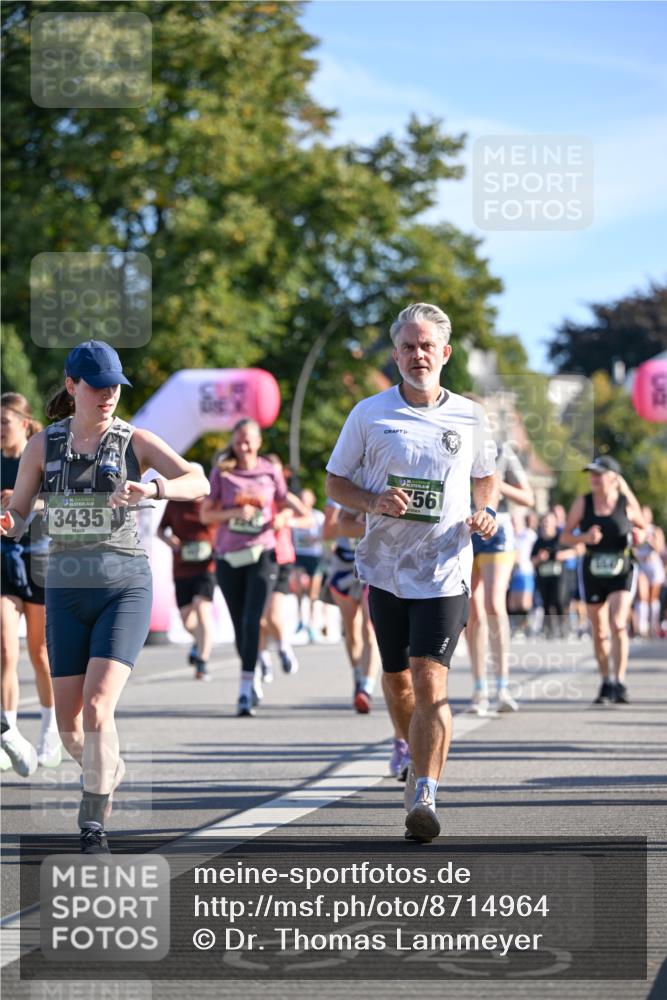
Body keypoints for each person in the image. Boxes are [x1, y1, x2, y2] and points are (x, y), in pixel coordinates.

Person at [0, 342, 209, 853]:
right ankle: (107, 769)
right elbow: (21, 514)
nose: (109, 394)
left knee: (97, 709)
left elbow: (197, 479)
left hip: (123, 584)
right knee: (73, 732)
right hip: (66, 588)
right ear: (72, 387)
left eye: (116, 385)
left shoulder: (133, 439)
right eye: (98, 386)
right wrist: (9, 521)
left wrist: (155, 491)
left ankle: (92, 823)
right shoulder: (41, 446)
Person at [326, 302, 498, 843]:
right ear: (395, 354)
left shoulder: (470, 416)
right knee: (398, 680)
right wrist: (374, 501)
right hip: (385, 569)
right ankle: (406, 744)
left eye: (427, 346)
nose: (417, 354)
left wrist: (486, 511)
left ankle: (424, 791)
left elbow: (485, 476)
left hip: (445, 567)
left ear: (444, 353)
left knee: (430, 679)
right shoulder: (368, 414)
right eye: (407, 346)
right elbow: (335, 483)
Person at [200, 420, 295, 717]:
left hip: (263, 551)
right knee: (240, 621)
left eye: (249, 440)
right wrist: (234, 512)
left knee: (254, 618)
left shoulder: (270, 470)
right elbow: (206, 514)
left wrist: (282, 518)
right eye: (239, 440)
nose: (244, 445)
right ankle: (251, 675)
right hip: (229, 556)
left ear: (258, 441)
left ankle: (243, 688)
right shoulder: (223, 472)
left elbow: (286, 504)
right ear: (232, 442)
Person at [1, 393, 61, 775]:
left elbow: (58, 501)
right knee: (6, 649)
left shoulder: (40, 455)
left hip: (39, 556)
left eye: (4, 421)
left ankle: (50, 730)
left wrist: (21, 502)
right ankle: (8, 736)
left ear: (24, 423)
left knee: (40, 653)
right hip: (4, 558)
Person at [560, 456, 646, 705]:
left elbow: (643, 526)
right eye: (592, 473)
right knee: (598, 630)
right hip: (593, 569)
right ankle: (606, 681)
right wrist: (584, 537)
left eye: (599, 473)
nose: (594, 478)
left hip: (621, 567)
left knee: (618, 623)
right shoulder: (583, 502)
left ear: (613, 477)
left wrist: (639, 533)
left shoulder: (624, 502)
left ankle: (619, 681)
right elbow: (565, 536)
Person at [465, 437, 534, 715]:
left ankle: (502, 686)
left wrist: (496, 485)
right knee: (474, 611)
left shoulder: (502, 451)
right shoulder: (451, 440)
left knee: (494, 604)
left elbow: (528, 497)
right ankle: (479, 688)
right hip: (464, 527)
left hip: (497, 528)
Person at [157, 463, 216, 681]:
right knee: (187, 621)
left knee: (203, 610)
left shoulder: (211, 502)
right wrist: (172, 543)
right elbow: (160, 530)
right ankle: (199, 641)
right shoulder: (175, 503)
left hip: (207, 565)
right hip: (182, 565)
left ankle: (202, 661)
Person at [256, 454, 310, 690]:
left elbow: (308, 518)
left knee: (273, 616)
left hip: (280, 558)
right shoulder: (254, 492)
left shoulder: (285, 497)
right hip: (255, 557)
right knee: (256, 618)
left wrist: (288, 519)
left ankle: (282, 647)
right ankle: (262, 660)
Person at [322, 501, 380, 714]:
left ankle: (366, 688)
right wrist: (352, 521)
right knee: (352, 629)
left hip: (374, 561)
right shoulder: (339, 490)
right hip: (345, 563)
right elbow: (327, 532)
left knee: (369, 627)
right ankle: (358, 675)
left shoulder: (381, 480)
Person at [531, 511, 578, 638]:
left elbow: (577, 551)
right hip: (544, 577)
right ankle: (549, 631)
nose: (546, 524)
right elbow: (532, 561)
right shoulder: (538, 541)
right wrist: (540, 558)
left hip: (560, 577)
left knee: (560, 601)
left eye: (549, 521)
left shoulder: (560, 538)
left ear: (554, 523)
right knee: (547, 604)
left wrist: (562, 555)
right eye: (544, 521)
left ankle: (564, 629)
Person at [291, 488, 326, 642]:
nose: (304, 503)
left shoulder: (318, 516)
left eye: (306, 500)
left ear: (312, 501)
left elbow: (326, 534)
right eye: (301, 499)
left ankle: (312, 624)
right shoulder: (293, 516)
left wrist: (316, 539)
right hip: (299, 554)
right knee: (298, 587)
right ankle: (300, 620)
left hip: (314, 556)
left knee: (313, 593)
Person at [634, 506, 665, 638]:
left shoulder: (655, 530)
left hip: (654, 566)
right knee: (642, 595)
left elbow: (661, 549)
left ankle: (653, 625)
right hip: (642, 566)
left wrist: (651, 540)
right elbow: (631, 548)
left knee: (653, 598)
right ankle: (642, 627)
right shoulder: (635, 530)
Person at [507, 511, 537, 637]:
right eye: (512, 522)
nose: (514, 524)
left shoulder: (528, 535)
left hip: (526, 571)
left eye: (516, 522)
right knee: (513, 603)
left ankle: (528, 626)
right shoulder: (510, 536)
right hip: (514, 573)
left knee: (525, 602)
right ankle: (517, 627)